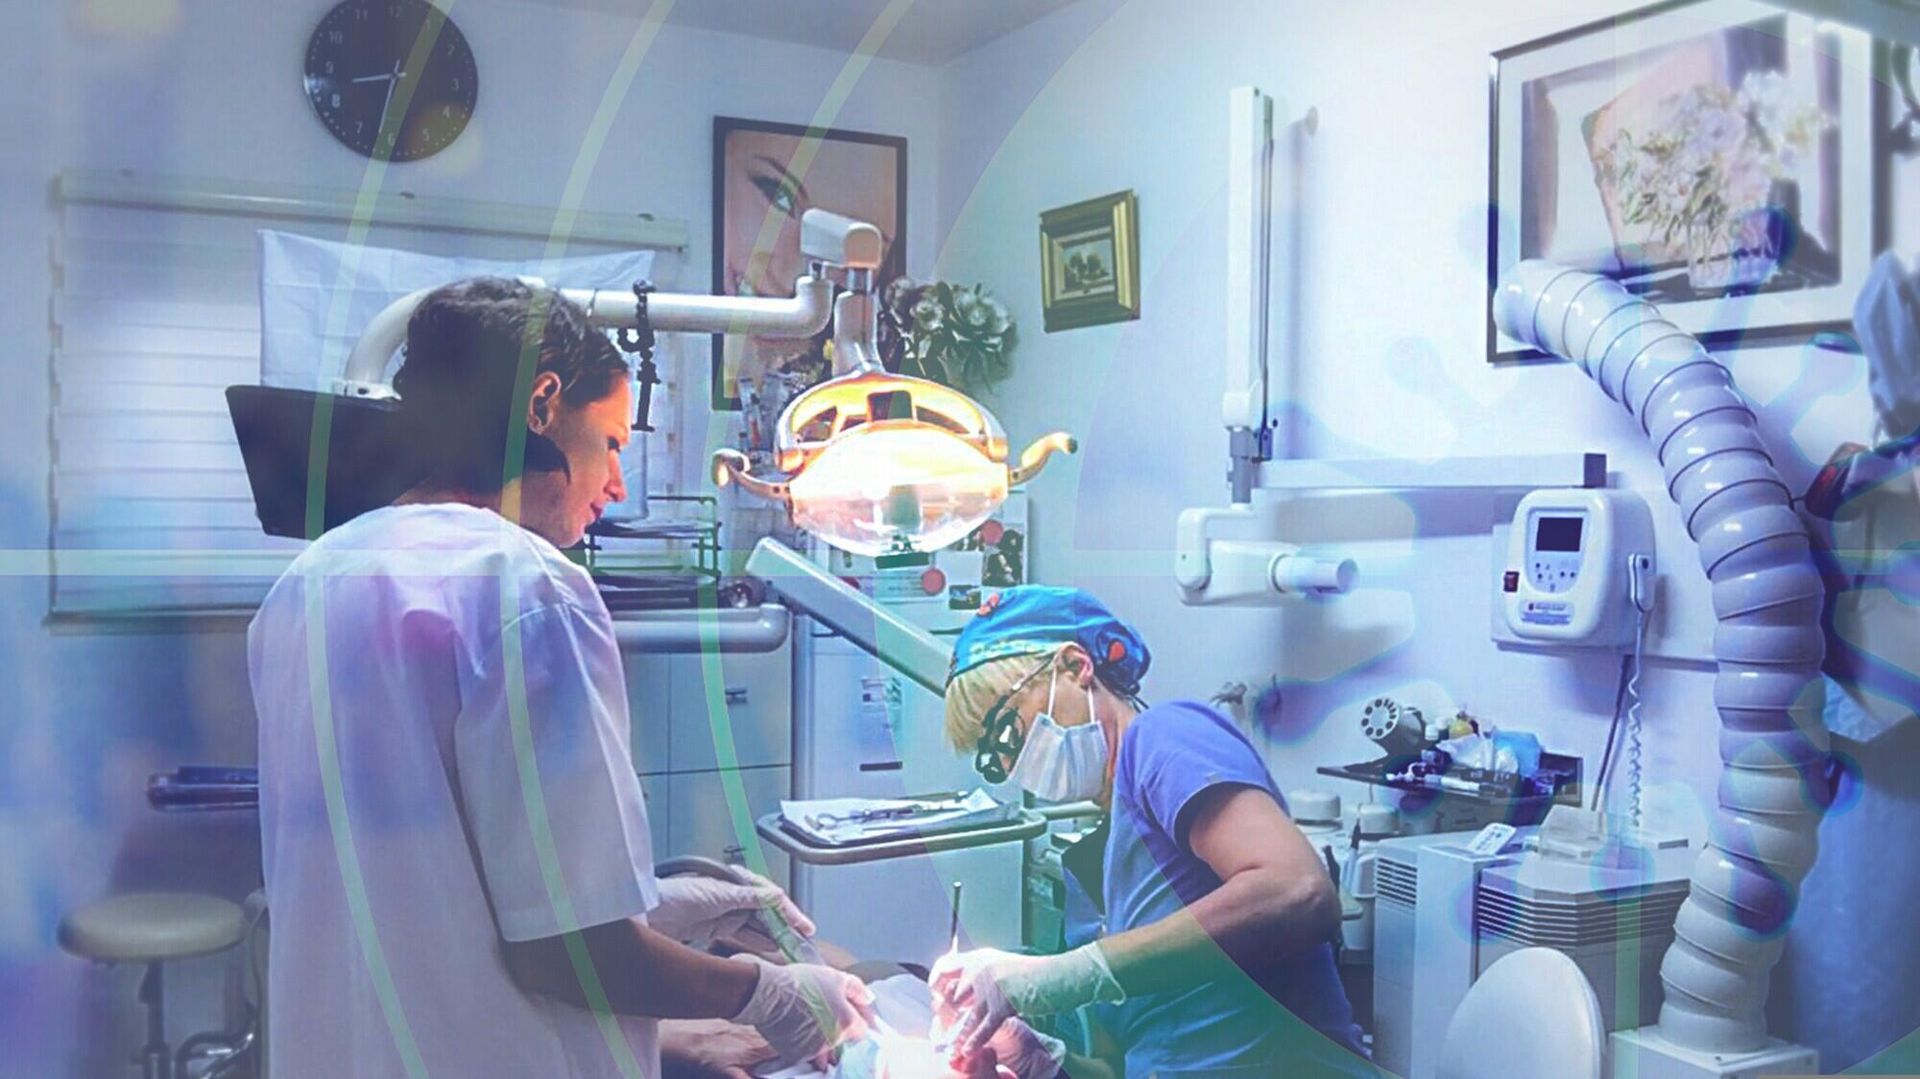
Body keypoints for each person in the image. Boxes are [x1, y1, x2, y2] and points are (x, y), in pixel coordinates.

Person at [250, 278, 871, 1079]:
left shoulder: (307, 583)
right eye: (611, 443)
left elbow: (426, 895)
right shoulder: (528, 588)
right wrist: (769, 990)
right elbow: (571, 952)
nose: (616, 484)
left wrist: (651, 910)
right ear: (542, 404)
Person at [929, 587, 1370, 1078]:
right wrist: (1046, 1062)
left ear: (1076, 668)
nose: (1011, 763)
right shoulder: (1095, 868)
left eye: (1007, 731)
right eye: (995, 758)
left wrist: (1063, 976)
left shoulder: (1163, 736)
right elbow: (1135, 1065)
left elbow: (1299, 891)